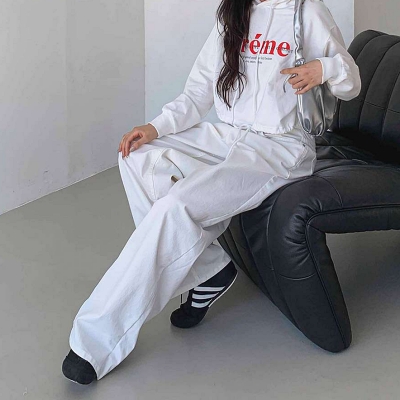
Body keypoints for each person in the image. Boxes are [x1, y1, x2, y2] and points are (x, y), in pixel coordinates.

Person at [62, 0, 361, 385]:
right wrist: (155, 127)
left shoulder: (306, 11)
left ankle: (95, 341)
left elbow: (351, 82)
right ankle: (208, 269)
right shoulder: (235, 11)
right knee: (138, 157)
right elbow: (199, 89)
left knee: (176, 206)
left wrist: (324, 69)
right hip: (228, 136)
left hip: (280, 148)